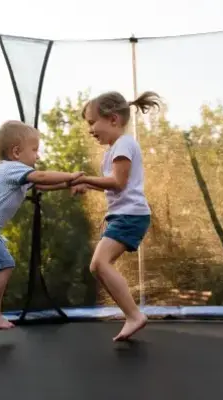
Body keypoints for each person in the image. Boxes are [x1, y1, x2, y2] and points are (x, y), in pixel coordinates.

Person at [0, 120, 83, 330]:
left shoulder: (14, 173)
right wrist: (71, 175)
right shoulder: (10, 169)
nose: (38, 156)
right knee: (4, 265)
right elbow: (42, 176)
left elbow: (42, 184)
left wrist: (68, 184)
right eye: (34, 150)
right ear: (16, 152)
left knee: (1, 266)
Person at [70, 90, 161, 341]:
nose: (90, 130)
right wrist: (88, 184)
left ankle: (134, 315)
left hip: (131, 215)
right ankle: (132, 315)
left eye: (92, 122)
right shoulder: (112, 150)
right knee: (97, 266)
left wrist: (86, 178)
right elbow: (113, 183)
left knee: (100, 264)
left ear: (112, 119)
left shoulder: (124, 144)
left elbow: (118, 182)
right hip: (123, 215)